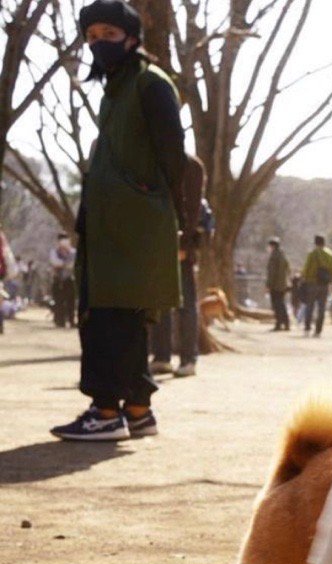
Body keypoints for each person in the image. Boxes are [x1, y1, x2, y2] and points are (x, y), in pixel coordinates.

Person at [50, 0, 185, 442]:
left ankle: (105, 411)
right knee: (122, 318)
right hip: (111, 225)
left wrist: (171, 217)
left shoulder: (150, 83)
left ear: (131, 37)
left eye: (108, 34)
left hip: (135, 225)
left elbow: (174, 157)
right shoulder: (117, 89)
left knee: (108, 318)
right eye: (91, 37)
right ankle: (138, 411)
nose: (99, 44)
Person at [150, 153, 206, 378]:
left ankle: (188, 359)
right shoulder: (155, 161)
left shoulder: (191, 166)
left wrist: (185, 244)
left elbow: (194, 210)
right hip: (158, 245)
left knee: (186, 304)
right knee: (159, 303)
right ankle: (162, 356)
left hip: (181, 246)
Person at [300, 234, 332, 337]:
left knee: (309, 307)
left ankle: (307, 328)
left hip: (312, 283)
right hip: (324, 284)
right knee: (321, 308)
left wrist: (303, 279)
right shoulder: (330, 254)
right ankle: (318, 331)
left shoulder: (312, 254)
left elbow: (306, 268)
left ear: (315, 243)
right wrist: (331, 281)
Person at [49, 233, 78, 327]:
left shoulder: (73, 252)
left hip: (70, 279)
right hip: (57, 279)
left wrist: (65, 263)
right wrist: (65, 264)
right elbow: (54, 262)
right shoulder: (54, 251)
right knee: (59, 300)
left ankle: (71, 320)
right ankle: (60, 320)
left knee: (71, 301)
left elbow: (74, 264)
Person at [265, 237, 290, 331]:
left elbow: (271, 272)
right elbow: (288, 269)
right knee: (282, 304)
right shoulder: (283, 255)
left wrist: (268, 285)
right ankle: (286, 323)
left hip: (275, 285)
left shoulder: (274, 256)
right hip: (283, 284)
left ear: (272, 246)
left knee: (276, 305)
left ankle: (278, 323)